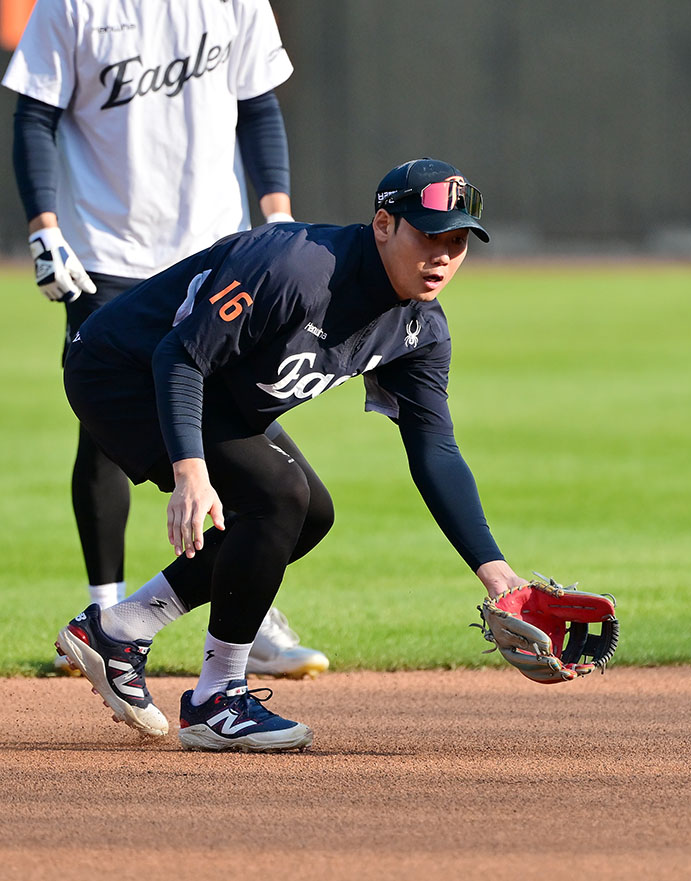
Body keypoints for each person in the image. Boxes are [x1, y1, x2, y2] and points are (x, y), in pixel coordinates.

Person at [55, 157, 529, 752]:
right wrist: (190, 470)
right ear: (384, 224)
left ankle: (119, 630)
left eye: (457, 242)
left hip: (216, 392)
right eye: (429, 235)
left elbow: (434, 450)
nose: (442, 256)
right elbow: (179, 356)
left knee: (310, 515)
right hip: (120, 373)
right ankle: (216, 700)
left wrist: (496, 573)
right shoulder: (297, 268)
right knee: (278, 497)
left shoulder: (420, 331)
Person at [3, 0, 328, 678]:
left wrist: (277, 216)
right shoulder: (73, 4)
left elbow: (258, 105)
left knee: (239, 419)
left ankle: (252, 606)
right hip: (106, 250)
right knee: (102, 432)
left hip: (216, 250)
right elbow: (35, 113)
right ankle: (105, 607)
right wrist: (44, 226)